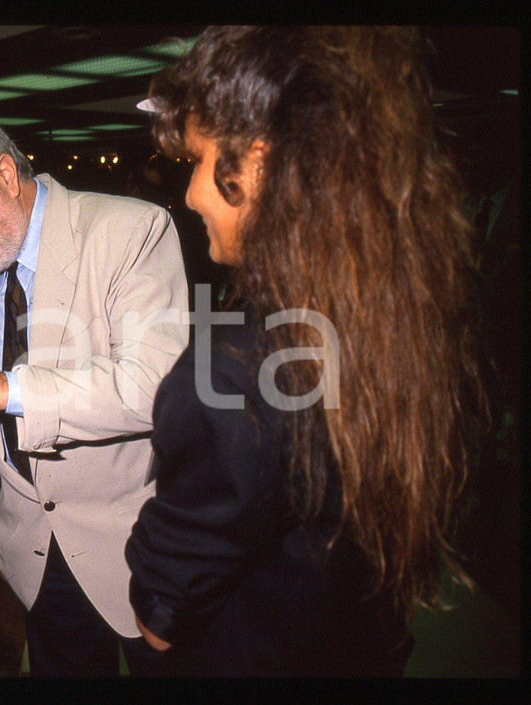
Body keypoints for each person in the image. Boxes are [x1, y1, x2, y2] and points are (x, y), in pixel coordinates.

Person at [124, 26, 487, 676]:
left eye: (201, 161)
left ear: (258, 163)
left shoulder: (227, 373)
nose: (191, 194)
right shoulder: (401, 316)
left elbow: (159, 618)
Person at [0, 111, 189, 676]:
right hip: (34, 553)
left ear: (5, 173)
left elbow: (155, 385)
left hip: (140, 544)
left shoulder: (129, 231)